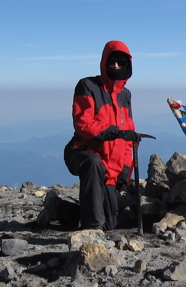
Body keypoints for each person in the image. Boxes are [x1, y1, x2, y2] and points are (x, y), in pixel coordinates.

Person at [39, 40, 139, 230]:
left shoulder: (125, 95)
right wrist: (115, 132)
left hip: (111, 165)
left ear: (128, 65)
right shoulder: (87, 86)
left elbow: (128, 139)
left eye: (121, 62)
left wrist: (124, 174)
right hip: (82, 152)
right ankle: (91, 232)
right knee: (94, 166)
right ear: (104, 62)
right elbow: (83, 123)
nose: (116, 66)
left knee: (110, 224)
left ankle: (58, 208)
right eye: (112, 61)